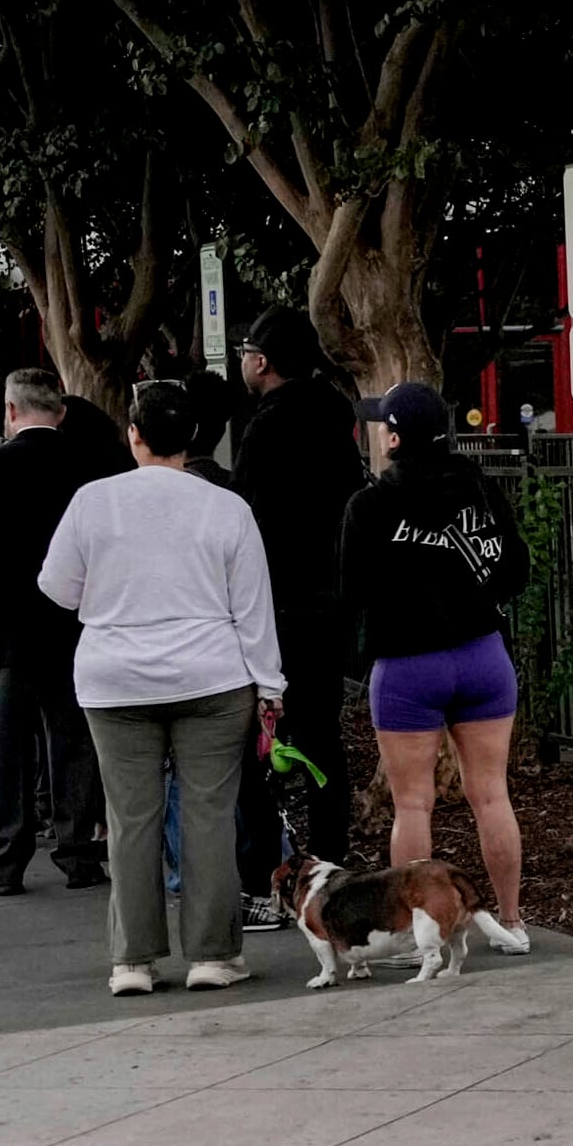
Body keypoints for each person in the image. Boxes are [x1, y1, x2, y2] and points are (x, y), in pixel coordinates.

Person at [41, 378, 281, 995]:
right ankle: (214, 954)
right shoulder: (227, 507)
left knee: (129, 818)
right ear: (195, 436)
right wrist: (269, 684)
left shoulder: (93, 501)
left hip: (115, 678)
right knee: (209, 814)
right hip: (212, 674)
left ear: (133, 436)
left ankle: (133, 961)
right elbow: (252, 607)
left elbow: (57, 587)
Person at [337, 380, 536, 949]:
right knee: (492, 795)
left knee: (413, 804)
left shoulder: (369, 505)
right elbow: (515, 570)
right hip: (482, 654)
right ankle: (512, 921)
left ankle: (416, 935)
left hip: (407, 665)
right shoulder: (478, 487)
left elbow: (351, 592)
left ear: (395, 437)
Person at [0, 370, 113, 895]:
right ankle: (79, 854)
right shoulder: (91, 470)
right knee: (74, 742)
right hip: (70, 623)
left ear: (10, 411)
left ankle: (3, 862)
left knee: (1, 747)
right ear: (60, 412)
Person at [227, 308, 364, 909]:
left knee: (264, 744)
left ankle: (264, 877)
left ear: (262, 362)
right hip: (328, 605)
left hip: (275, 606)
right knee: (322, 739)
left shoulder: (264, 429)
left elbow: (245, 520)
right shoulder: (336, 421)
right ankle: (331, 862)